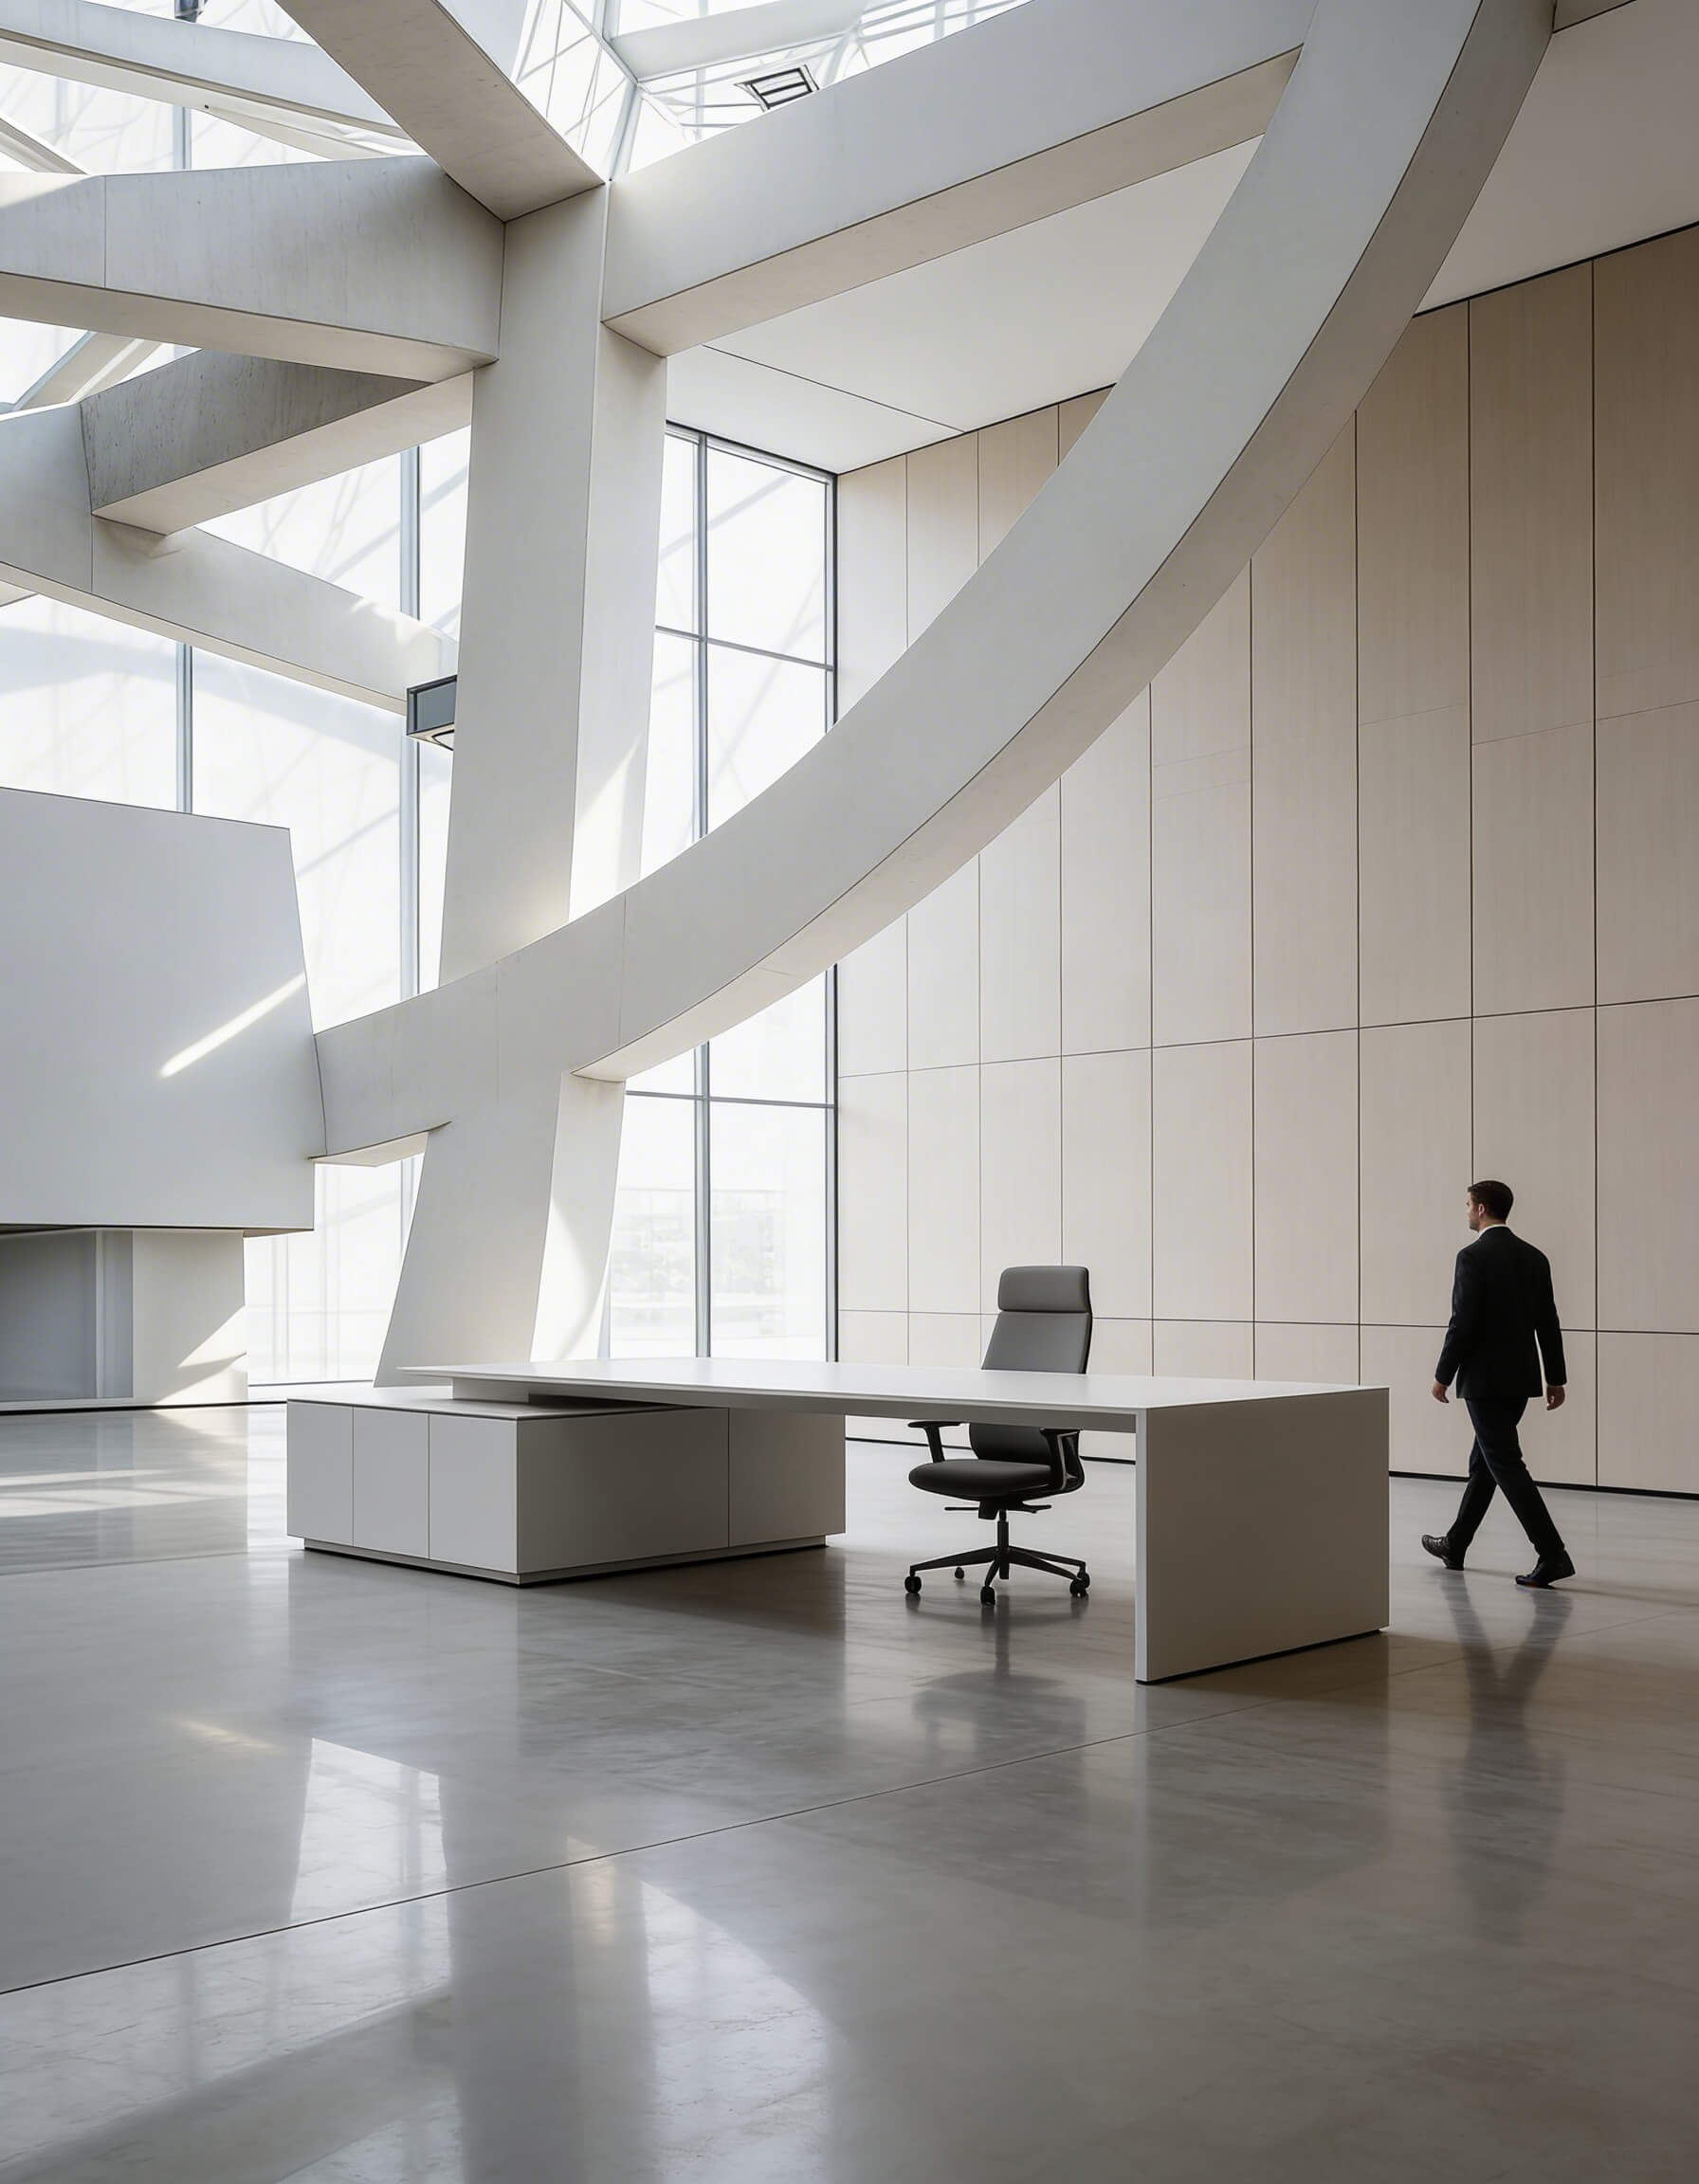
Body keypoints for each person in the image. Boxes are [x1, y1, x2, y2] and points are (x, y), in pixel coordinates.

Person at [1422, 1179, 1575, 1589]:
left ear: (1483, 1208)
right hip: (1519, 1381)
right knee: (1485, 1464)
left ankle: (1552, 1553)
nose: (1467, 1212)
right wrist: (1555, 1378)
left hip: (1484, 1382)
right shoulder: (1535, 1257)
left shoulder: (1472, 1257)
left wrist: (1442, 1374)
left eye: (1469, 1205)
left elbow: (1463, 1322)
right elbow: (1549, 1322)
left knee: (1505, 1463)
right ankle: (1456, 1543)